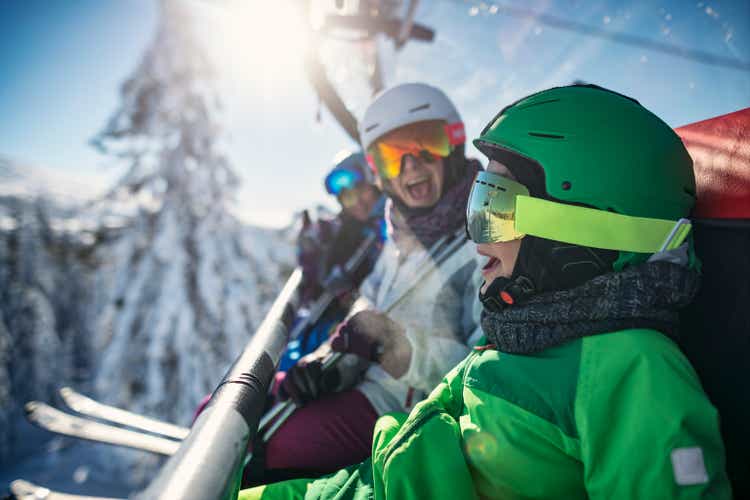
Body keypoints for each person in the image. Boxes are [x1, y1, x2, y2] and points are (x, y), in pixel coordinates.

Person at [240, 84, 731, 499]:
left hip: (387, 461)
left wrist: (392, 347)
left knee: (239, 452)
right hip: (373, 478)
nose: (478, 235)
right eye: (480, 203)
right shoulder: (530, 325)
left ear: (577, 230)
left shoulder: (633, 369)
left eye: (498, 206)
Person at [260, 82, 483, 479]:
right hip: (363, 382)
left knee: (267, 450)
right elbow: (370, 303)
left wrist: (393, 348)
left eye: (425, 143)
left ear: (451, 144)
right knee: (227, 405)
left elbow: (480, 369)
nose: (411, 164)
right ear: (379, 171)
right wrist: (331, 361)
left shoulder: (480, 242)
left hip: (407, 409)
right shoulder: (399, 232)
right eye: (393, 155)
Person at [279, 151, 386, 372]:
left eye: (361, 192)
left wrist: (350, 295)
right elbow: (315, 274)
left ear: (375, 184)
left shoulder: (390, 225)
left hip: (357, 333)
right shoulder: (343, 230)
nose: (356, 203)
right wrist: (310, 250)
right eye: (347, 198)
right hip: (323, 320)